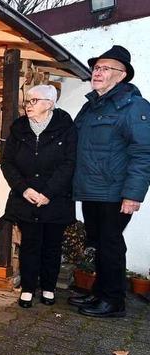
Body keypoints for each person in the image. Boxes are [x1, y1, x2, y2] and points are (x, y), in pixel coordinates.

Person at [68, 46, 150, 318]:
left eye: (105, 69)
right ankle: (100, 292)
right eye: (96, 68)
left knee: (110, 245)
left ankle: (113, 302)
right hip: (91, 190)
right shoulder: (91, 106)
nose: (97, 73)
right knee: (99, 243)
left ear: (122, 75)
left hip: (115, 192)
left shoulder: (134, 106)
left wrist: (133, 195)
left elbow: (143, 152)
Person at [1, 85, 77, 308]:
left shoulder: (66, 127)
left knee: (52, 245)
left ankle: (48, 288)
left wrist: (48, 193)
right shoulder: (18, 128)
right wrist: (24, 189)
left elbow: (69, 163)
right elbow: (7, 163)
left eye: (34, 101)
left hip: (56, 199)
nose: (28, 105)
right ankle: (27, 288)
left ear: (49, 104)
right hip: (26, 198)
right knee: (30, 244)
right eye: (27, 101)